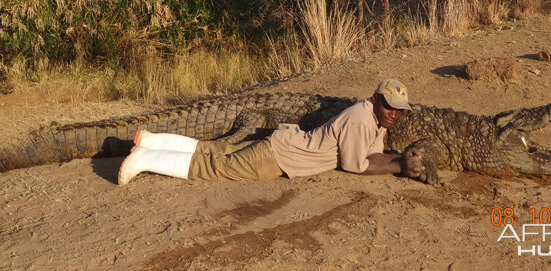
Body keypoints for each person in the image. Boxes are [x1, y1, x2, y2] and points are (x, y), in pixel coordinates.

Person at [118, 79, 424, 185]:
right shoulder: (360, 117)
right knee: (218, 169)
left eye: (399, 109)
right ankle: (145, 159)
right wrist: (398, 165)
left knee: (219, 151)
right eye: (389, 106)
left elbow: (372, 154)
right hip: (279, 158)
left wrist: (397, 156)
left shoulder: (375, 119)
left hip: (283, 146)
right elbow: (355, 166)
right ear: (375, 99)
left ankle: (150, 141)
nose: (394, 114)